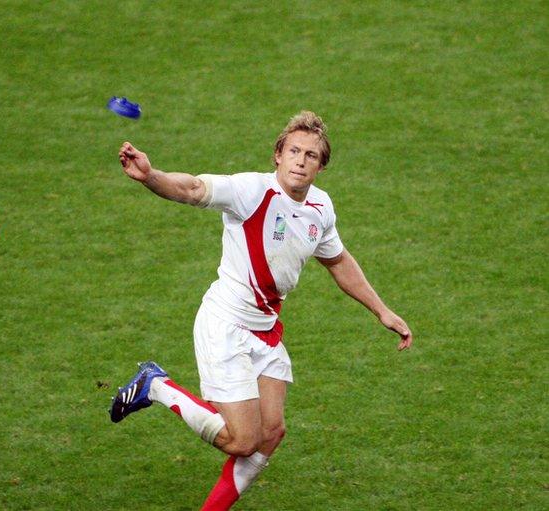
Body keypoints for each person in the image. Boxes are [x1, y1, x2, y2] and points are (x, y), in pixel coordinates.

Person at [110, 111, 413, 510]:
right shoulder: (250, 192)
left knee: (270, 434)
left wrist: (382, 311)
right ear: (278, 155)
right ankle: (155, 386)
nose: (301, 160)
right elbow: (192, 188)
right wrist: (152, 176)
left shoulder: (320, 208)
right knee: (242, 440)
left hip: (265, 331)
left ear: (321, 166)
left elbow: (338, 261)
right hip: (226, 324)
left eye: (311, 155)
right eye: (294, 151)